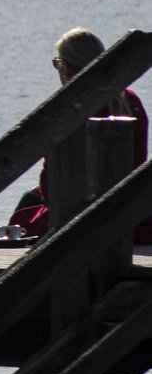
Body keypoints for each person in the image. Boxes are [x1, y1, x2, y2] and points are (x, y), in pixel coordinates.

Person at [9, 28, 151, 242]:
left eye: (58, 63)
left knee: (27, 204)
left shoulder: (65, 110)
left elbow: (51, 192)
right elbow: (137, 161)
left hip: (78, 217)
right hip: (129, 210)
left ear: (66, 68)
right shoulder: (129, 100)